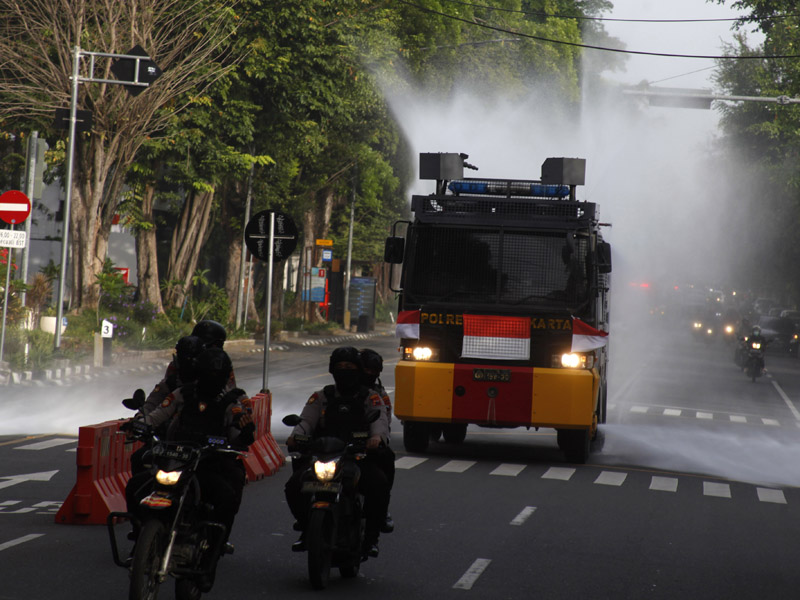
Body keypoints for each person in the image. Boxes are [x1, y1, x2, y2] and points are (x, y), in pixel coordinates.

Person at [125, 347, 255, 553]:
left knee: (227, 496)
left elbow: (237, 433)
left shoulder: (231, 403)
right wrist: (139, 424)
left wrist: (245, 432)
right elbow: (158, 414)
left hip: (207, 466)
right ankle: (140, 534)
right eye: (207, 373)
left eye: (216, 375)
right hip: (174, 460)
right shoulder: (182, 394)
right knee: (135, 486)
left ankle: (215, 547)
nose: (211, 379)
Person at [284, 346, 390, 559]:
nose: (344, 370)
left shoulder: (371, 398)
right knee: (294, 486)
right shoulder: (322, 397)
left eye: (349, 366)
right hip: (324, 456)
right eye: (339, 366)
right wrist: (296, 436)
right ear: (332, 370)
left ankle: (371, 538)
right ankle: (307, 528)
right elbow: (306, 422)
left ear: (358, 370)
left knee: (379, 483)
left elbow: (379, 421)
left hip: (356, 457)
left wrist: (376, 439)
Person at [360, 348, 395, 534]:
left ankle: (382, 510)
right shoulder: (331, 392)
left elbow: (384, 419)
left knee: (386, 460)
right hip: (334, 445)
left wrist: (377, 437)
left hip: (365, 445)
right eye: (366, 370)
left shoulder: (378, 395)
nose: (370, 375)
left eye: (374, 372)